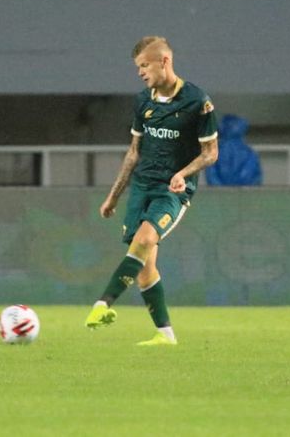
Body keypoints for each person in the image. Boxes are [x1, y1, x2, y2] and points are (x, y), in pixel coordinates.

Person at [84, 36, 219, 346]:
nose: (140, 72)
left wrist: (183, 174)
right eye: (137, 67)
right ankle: (165, 335)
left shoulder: (198, 101)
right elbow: (133, 152)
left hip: (173, 192)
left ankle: (103, 303)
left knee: (145, 239)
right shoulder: (143, 100)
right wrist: (113, 196)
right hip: (141, 187)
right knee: (145, 267)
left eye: (144, 65)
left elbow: (211, 153)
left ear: (164, 62)